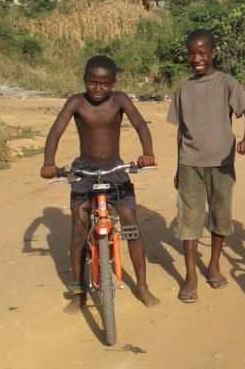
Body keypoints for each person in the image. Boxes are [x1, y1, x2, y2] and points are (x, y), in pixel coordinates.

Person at [40, 55, 159, 312]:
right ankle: (79, 293)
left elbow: (140, 124)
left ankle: (142, 286)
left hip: (115, 171)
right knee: (78, 231)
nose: (97, 88)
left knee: (131, 224)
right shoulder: (76, 102)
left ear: (113, 83)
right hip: (84, 172)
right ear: (85, 80)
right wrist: (49, 162)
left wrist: (147, 152)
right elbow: (56, 131)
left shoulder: (120, 100)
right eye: (92, 82)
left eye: (104, 83)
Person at [167, 29, 245, 303]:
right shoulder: (183, 89)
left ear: (213, 54)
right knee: (189, 220)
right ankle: (190, 275)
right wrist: (177, 168)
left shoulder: (226, 83)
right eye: (192, 53)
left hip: (221, 163)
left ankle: (214, 264)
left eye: (203, 53)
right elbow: (181, 131)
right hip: (190, 164)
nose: (197, 59)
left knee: (220, 216)